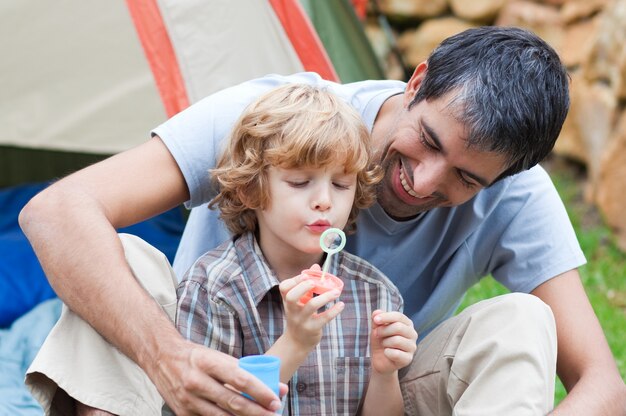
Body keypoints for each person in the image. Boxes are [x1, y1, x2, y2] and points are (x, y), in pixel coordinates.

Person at [20, 26, 626, 416]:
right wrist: (166, 358)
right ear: (417, 83)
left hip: (359, 395)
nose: (426, 182)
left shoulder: (514, 197)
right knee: (120, 262)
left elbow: (602, 384)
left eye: (467, 180)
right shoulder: (281, 119)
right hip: (198, 379)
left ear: (504, 178)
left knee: (523, 320)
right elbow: (56, 212)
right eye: (429, 141)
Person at [176, 83, 416, 415]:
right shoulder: (214, 290)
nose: (324, 201)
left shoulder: (376, 296)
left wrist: (385, 372)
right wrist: (295, 343)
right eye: (300, 182)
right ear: (250, 189)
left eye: (341, 184)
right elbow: (210, 409)